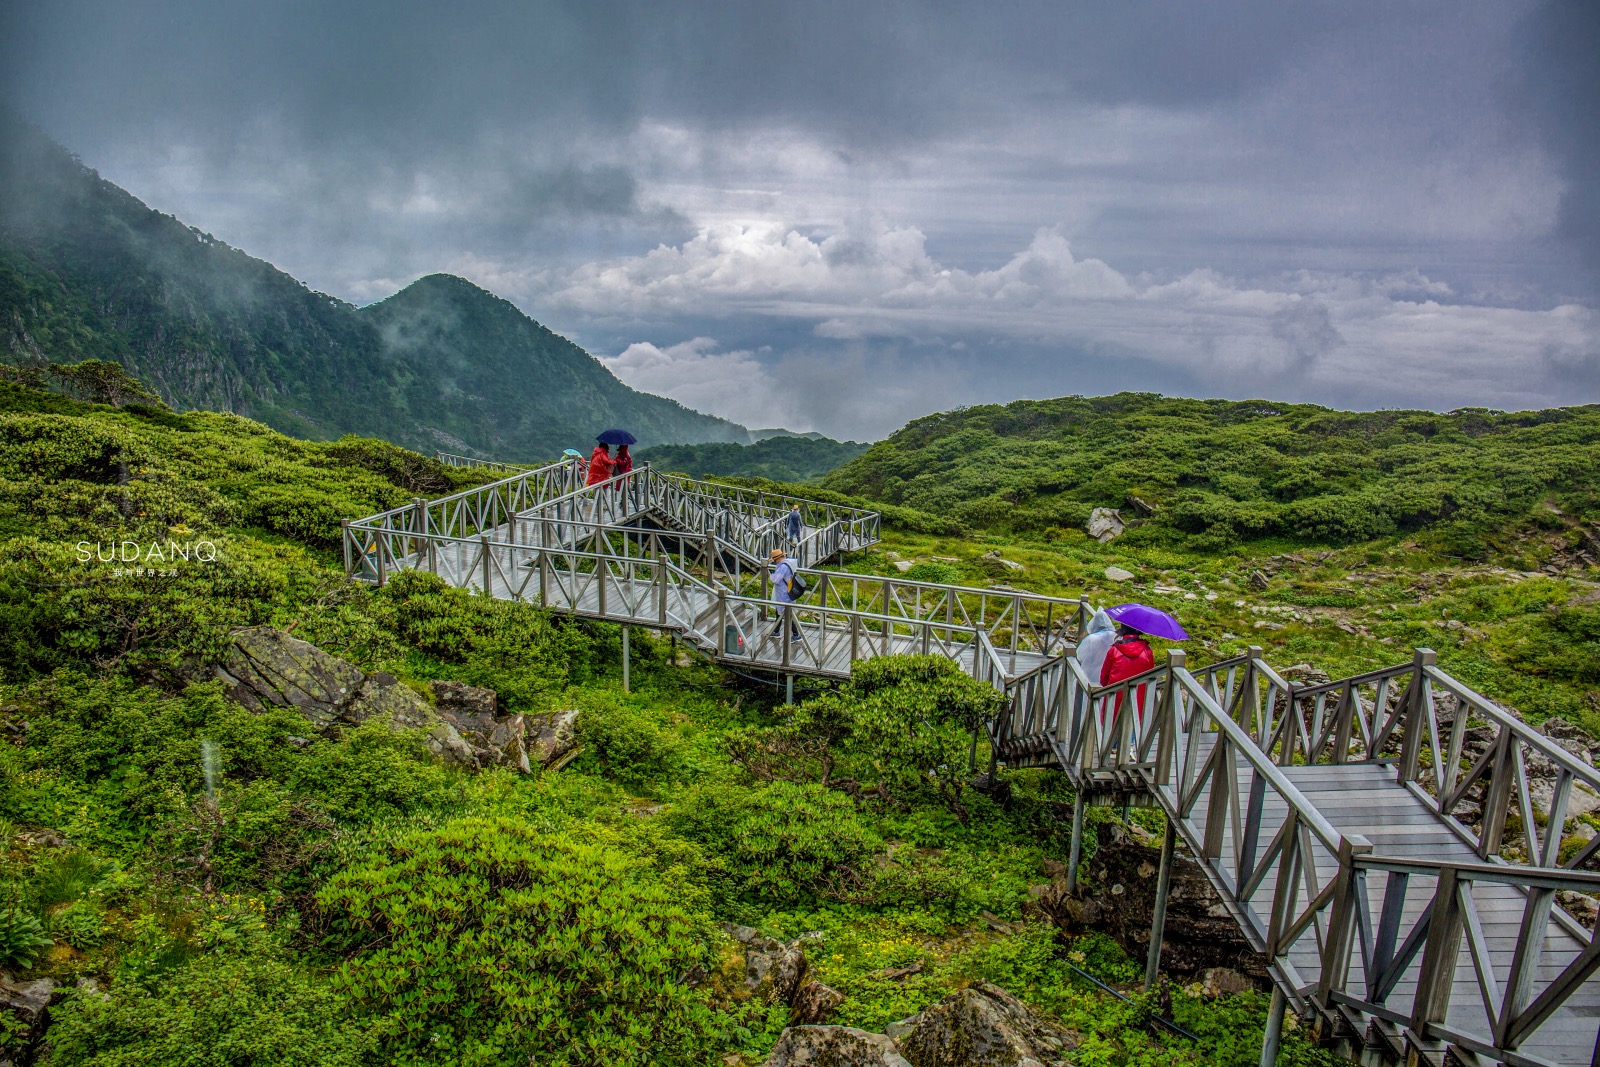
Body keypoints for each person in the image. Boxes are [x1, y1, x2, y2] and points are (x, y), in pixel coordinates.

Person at [1101, 622, 1156, 727]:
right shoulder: (1147, 651)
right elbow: (1151, 675)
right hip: (1139, 696)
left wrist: (1105, 689)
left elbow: (1104, 676)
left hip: (1115, 695)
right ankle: (1129, 743)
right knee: (1133, 724)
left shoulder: (1114, 650)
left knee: (1112, 728)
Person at [769, 548, 802, 641]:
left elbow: (775, 579)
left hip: (784, 593)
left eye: (774, 560)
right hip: (788, 591)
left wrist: (771, 575)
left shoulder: (783, 567)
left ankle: (796, 634)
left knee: (786, 613)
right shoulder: (789, 563)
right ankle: (776, 631)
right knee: (779, 611)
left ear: (777, 559)